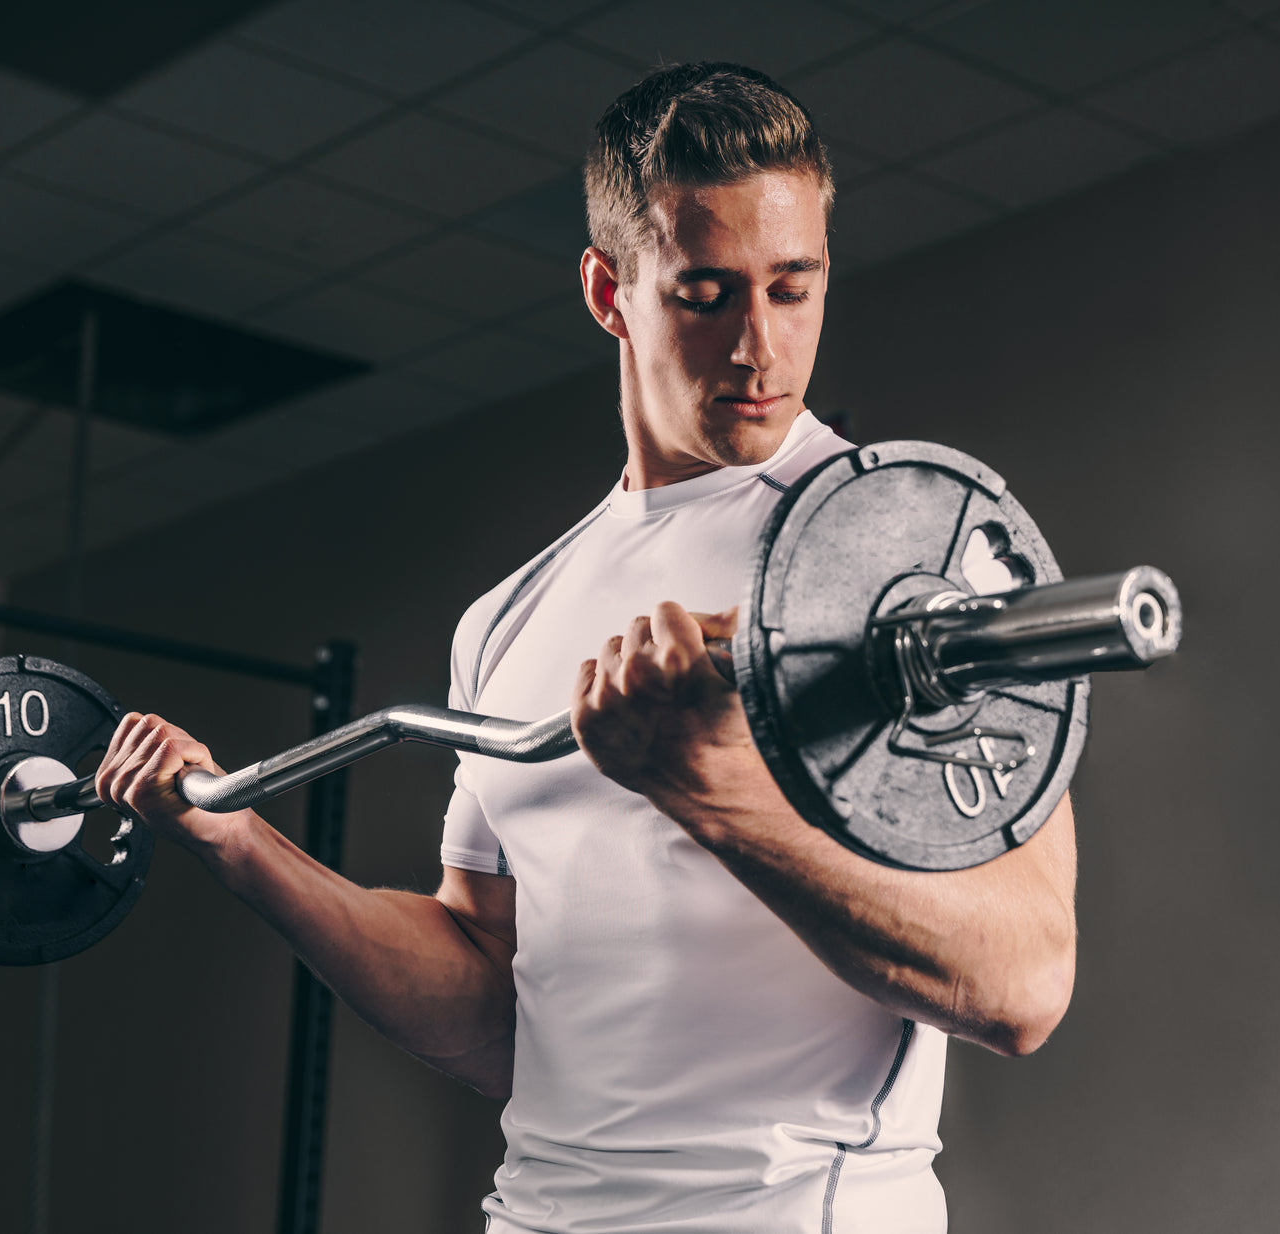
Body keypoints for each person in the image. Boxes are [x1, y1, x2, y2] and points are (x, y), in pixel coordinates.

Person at [92, 62, 1077, 1233]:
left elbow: (1019, 985)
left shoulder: (907, 551)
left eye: (792, 287)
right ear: (609, 290)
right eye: (705, 293)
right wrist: (242, 845)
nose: (757, 347)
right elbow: (490, 1004)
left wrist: (710, 796)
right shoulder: (510, 617)